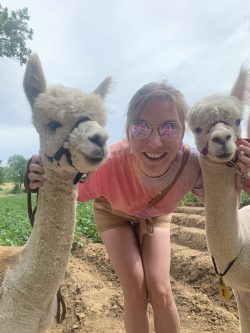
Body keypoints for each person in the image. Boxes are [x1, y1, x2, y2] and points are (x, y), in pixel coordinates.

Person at [26, 82, 250, 333]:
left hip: (156, 216)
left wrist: (239, 173)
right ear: (128, 131)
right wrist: (42, 173)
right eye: (141, 126)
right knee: (135, 288)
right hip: (113, 214)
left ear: (183, 132)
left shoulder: (191, 166)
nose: (155, 142)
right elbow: (66, 187)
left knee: (161, 288)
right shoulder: (106, 165)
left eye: (169, 128)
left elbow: (220, 205)